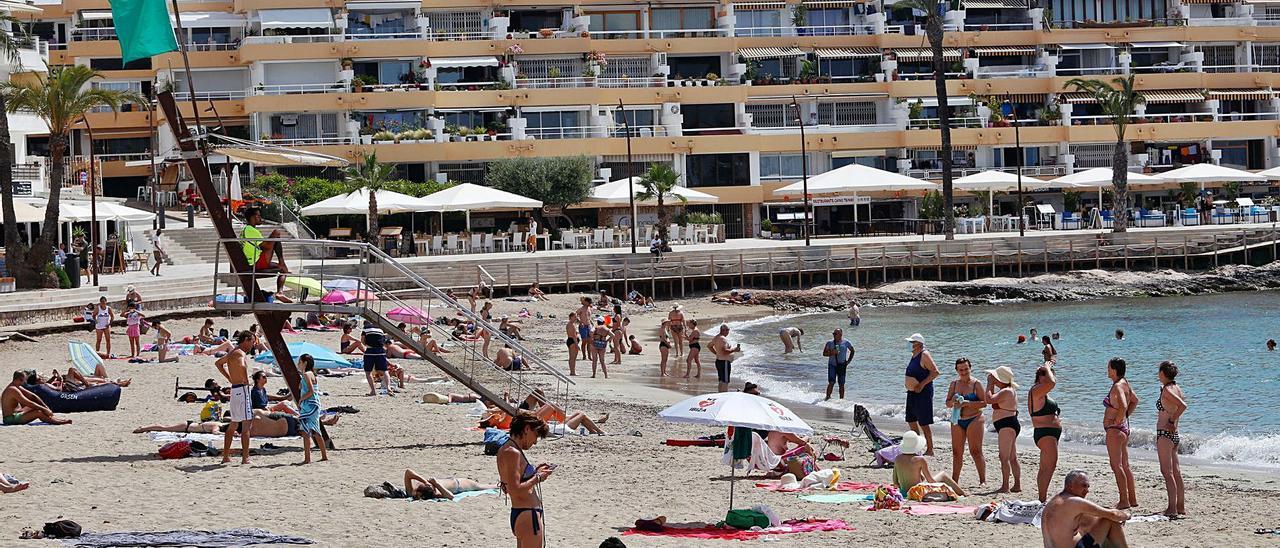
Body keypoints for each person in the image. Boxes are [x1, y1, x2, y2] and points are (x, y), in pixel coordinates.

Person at [498, 412, 553, 548]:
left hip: (522, 513)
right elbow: (514, 489)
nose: (535, 442)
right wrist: (538, 477)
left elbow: (508, 485)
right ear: (527, 429)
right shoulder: (512, 452)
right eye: (536, 435)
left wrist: (534, 472)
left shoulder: (506, 449)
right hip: (528, 515)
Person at [1041, 470, 1129, 548]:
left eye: (1088, 487)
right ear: (1070, 486)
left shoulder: (1053, 502)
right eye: (1083, 486)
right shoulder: (1075, 502)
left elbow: (1093, 516)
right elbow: (1113, 515)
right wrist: (1127, 516)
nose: (1087, 491)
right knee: (1110, 520)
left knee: (1090, 521)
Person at [214, 332, 256, 465]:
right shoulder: (240, 353)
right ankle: (245, 458)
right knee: (246, 425)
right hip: (242, 389)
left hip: (234, 389)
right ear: (246, 340)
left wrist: (229, 378)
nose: (253, 345)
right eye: (252, 342)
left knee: (233, 424)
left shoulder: (232, 352)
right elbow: (242, 365)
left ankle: (226, 456)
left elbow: (218, 363)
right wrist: (246, 379)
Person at [1104, 357, 1139, 509]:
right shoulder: (1125, 383)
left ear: (1114, 369)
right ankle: (1132, 499)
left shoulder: (1118, 386)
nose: (1107, 370)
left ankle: (1124, 500)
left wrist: (1117, 421)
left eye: (1109, 367)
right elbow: (1135, 400)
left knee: (1116, 465)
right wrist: (1124, 418)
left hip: (1116, 430)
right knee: (1124, 465)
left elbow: (1124, 405)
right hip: (1122, 429)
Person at [945, 358, 986, 486]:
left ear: (970, 368)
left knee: (975, 451)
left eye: (966, 369)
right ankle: (954, 480)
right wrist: (953, 402)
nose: (964, 372)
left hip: (974, 418)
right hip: (957, 419)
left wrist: (968, 403)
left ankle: (982, 480)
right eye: (961, 369)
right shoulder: (954, 384)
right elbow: (947, 402)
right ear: (957, 370)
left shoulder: (976, 384)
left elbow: (984, 403)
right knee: (956, 452)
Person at [1155, 360, 1187, 517]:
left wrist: (1170, 421)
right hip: (1174, 435)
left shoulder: (1167, 390)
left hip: (1165, 434)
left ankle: (1172, 508)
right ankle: (1180, 506)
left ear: (1162, 373)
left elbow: (1182, 406)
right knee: (1176, 471)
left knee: (1167, 472)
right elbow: (1180, 405)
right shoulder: (1177, 388)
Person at [891, 431, 964, 497]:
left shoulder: (898, 459)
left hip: (903, 493)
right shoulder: (920, 459)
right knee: (943, 475)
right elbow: (930, 481)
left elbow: (895, 483)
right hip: (917, 491)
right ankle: (962, 493)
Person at [1029, 364, 1062, 503]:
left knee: (1045, 467)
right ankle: (1042, 499)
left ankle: (1041, 498)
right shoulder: (1036, 390)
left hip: (1049, 433)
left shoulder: (1040, 392)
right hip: (1045, 433)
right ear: (1041, 377)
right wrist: (1047, 367)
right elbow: (1052, 383)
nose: (1051, 377)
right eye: (1048, 374)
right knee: (1049, 467)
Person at [987, 365, 1022, 493]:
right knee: (1012, 456)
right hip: (1008, 424)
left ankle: (1005, 486)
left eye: (995, 378)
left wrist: (989, 384)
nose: (994, 379)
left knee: (1004, 457)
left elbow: (988, 399)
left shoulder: (1006, 391)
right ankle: (1016, 485)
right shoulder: (1007, 390)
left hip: (1007, 425)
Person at [241, 206, 290, 294]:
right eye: (258, 216)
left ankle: (280, 292)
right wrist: (274, 237)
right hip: (255, 262)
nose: (260, 218)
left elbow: (264, 246)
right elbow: (266, 247)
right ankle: (282, 262)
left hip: (253, 262)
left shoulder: (247, 230)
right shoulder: (250, 230)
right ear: (252, 217)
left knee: (282, 268)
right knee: (276, 232)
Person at [904, 333, 939, 456]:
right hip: (912, 393)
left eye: (911, 342)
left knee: (924, 422)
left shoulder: (924, 354)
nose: (909, 344)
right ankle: (916, 445)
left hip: (922, 393)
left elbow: (935, 372)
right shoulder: (914, 355)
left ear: (918, 344)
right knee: (911, 419)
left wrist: (922, 384)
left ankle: (930, 449)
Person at [3, 371, 71, 426]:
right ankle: (56, 421)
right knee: (38, 412)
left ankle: (54, 418)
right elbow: (28, 403)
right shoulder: (12, 389)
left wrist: (45, 407)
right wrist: (44, 409)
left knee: (39, 406)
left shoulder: (17, 386)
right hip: (10, 419)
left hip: (17, 413)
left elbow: (33, 396)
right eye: (24, 380)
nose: (25, 382)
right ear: (19, 379)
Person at [296, 354, 329, 465]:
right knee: (316, 431)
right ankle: (324, 456)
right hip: (313, 405)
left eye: (300, 362)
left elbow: (310, 391)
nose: (298, 364)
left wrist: (301, 400)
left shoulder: (306, 374)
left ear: (305, 363)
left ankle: (307, 458)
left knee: (306, 432)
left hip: (309, 405)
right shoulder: (310, 374)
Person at [404, 469, 496, 500]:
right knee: (482, 487)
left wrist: (425, 481)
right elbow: (451, 497)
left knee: (482, 486)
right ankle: (500, 485)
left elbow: (408, 472)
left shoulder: (411, 491)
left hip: (455, 481)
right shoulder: (435, 493)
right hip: (459, 485)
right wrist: (436, 484)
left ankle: (501, 485)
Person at [822, 329, 854, 401]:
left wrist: (848, 361)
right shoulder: (829, 343)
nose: (834, 335)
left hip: (842, 365)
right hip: (832, 365)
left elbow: (852, 350)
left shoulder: (846, 342)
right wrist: (831, 353)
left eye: (835, 334)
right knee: (831, 382)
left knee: (841, 384)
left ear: (840, 334)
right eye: (833, 334)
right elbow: (824, 353)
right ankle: (827, 397)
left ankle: (841, 401)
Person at [708, 324, 741, 392]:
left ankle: (719, 394)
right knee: (725, 382)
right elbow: (725, 351)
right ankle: (724, 395)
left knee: (721, 381)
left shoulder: (716, 337)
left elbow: (709, 346)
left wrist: (717, 353)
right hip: (724, 362)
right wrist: (734, 349)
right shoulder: (723, 339)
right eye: (728, 330)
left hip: (719, 361)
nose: (728, 332)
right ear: (724, 330)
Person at [363, 326, 391, 397]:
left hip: (370, 351)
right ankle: (388, 387)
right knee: (385, 370)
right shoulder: (380, 330)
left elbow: (362, 340)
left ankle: (373, 391)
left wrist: (366, 345)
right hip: (380, 351)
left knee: (368, 372)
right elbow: (383, 341)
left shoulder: (365, 330)